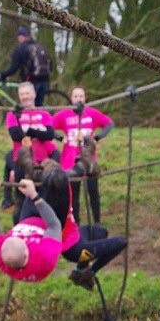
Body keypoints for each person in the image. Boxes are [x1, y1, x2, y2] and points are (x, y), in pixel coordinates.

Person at [0, 159, 127, 287]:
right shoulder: (44, 259)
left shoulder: (0, 255)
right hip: (68, 241)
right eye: (24, 241)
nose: (23, 237)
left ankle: (81, 269)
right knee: (58, 179)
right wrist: (34, 196)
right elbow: (54, 224)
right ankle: (88, 273)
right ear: (27, 253)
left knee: (101, 232)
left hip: (31, 217)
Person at [53, 86, 113, 224]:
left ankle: (97, 222)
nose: (78, 99)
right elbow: (49, 125)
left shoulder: (91, 112)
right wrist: (60, 138)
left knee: (93, 191)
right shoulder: (64, 114)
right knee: (74, 195)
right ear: (71, 98)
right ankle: (77, 224)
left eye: (81, 96)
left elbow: (109, 124)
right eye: (76, 96)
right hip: (70, 160)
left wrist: (96, 138)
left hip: (89, 159)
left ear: (85, 98)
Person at [0, 82, 59, 215]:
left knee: (44, 199)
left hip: (43, 162)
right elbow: (14, 134)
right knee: (21, 201)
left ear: (34, 94)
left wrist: (30, 131)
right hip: (21, 161)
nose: (25, 97)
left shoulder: (44, 114)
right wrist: (39, 132)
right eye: (22, 94)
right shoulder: (13, 114)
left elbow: (49, 134)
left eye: (27, 93)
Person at [0, 26, 53, 107]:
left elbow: (13, 68)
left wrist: (2, 75)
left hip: (31, 82)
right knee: (39, 106)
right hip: (45, 81)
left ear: (20, 37)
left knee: (30, 108)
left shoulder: (20, 50)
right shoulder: (41, 47)